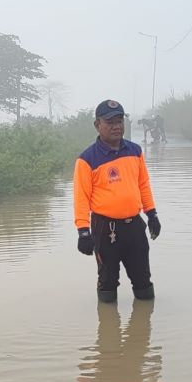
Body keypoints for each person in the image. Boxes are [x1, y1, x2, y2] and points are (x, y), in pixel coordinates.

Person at [74, 99, 162, 303]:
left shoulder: (135, 151)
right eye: (110, 122)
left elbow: (143, 185)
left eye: (119, 121)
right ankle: (107, 329)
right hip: (105, 229)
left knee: (143, 282)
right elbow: (81, 198)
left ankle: (143, 328)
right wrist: (83, 231)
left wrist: (152, 214)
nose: (116, 126)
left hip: (134, 227)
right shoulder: (87, 159)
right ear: (97, 125)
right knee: (107, 282)